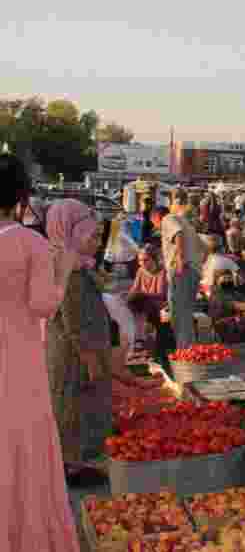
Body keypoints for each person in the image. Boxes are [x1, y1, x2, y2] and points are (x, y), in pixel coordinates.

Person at [0, 154, 83, 552]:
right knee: (22, 447)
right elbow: (44, 305)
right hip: (17, 362)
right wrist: (64, 267)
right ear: (20, 196)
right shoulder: (28, 242)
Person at [46, 199, 117, 487]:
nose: (98, 242)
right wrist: (90, 359)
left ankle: (72, 464)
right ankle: (72, 468)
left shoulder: (73, 264)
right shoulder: (70, 272)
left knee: (74, 406)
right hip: (74, 354)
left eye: (99, 236)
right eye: (93, 236)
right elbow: (73, 321)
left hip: (76, 351)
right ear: (72, 234)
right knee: (73, 408)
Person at [161, 201, 202, 352]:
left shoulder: (167, 219)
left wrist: (179, 258)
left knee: (180, 315)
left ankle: (186, 353)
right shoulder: (187, 224)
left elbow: (177, 233)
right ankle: (188, 351)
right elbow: (201, 246)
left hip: (182, 270)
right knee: (184, 315)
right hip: (192, 270)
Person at [125, 244, 171, 372]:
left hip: (161, 308)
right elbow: (134, 290)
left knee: (142, 302)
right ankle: (138, 341)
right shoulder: (141, 271)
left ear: (154, 259)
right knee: (133, 302)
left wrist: (142, 294)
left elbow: (162, 295)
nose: (142, 263)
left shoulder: (164, 272)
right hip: (145, 307)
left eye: (145, 260)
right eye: (140, 260)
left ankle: (142, 340)